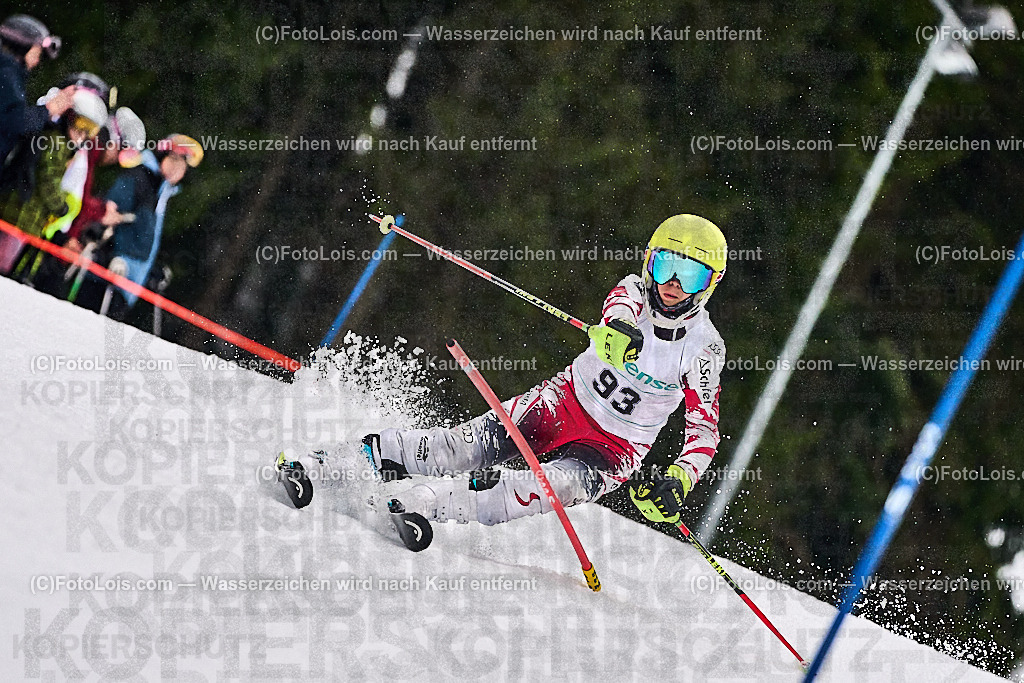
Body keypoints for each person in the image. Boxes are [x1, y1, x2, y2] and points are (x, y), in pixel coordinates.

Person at [359, 214, 727, 528]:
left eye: (690, 275)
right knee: (465, 447)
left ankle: (424, 505)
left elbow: (704, 433)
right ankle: (359, 459)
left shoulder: (703, 348)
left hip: (616, 449)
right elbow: (620, 306)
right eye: (665, 266)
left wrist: (679, 480)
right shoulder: (633, 292)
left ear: (710, 284)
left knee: (541, 488)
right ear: (648, 263)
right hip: (565, 401)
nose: (673, 284)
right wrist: (616, 326)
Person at [84, 133, 202, 318]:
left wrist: (150, 271)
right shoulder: (138, 178)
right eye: (173, 160)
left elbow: (143, 237)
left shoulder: (160, 193)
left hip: (128, 287)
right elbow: (106, 213)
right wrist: (112, 255)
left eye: (182, 166)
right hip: (106, 278)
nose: (176, 170)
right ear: (162, 156)